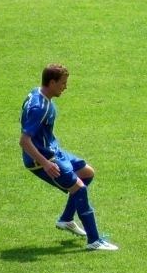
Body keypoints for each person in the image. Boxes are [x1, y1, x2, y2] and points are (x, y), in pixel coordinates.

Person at [19, 64, 118, 251]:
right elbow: (24, 141)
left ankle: (66, 220)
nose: (65, 87)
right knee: (79, 189)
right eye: (62, 83)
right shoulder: (38, 107)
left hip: (53, 151)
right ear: (52, 82)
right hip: (42, 159)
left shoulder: (38, 94)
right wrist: (46, 163)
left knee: (87, 173)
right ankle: (94, 241)